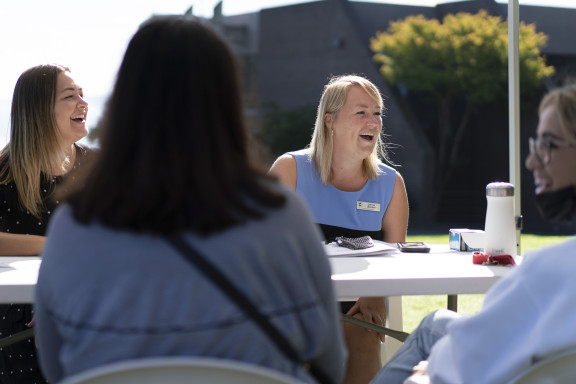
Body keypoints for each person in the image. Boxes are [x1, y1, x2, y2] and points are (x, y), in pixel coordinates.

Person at [34, 15, 346, 384]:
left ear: (126, 103)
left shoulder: (75, 226)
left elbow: (57, 368)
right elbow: (328, 356)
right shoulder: (280, 215)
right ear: (226, 103)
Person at [371, 82, 576, 384]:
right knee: (435, 325)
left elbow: (462, 366)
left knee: (430, 338)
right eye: (536, 144)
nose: (532, 161)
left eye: (549, 144)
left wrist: (431, 371)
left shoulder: (549, 272)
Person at [269, 74, 410, 383]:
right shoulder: (289, 170)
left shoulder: (391, 184)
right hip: (295, 300)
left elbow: (397, 262)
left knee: (360, 331)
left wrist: (375, 296)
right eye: (361, 112)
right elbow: (263, 252)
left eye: (377, 113)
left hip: (361, 304)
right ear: (329, 121)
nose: (373, 121)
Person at [0, 64, 91, 383]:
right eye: (70, 96)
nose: (83, 102)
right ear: (39, 110)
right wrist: (51, 247)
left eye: (81, 93)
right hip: (18, 318)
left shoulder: (96, 169)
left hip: (85, 304)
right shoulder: (5, 172)